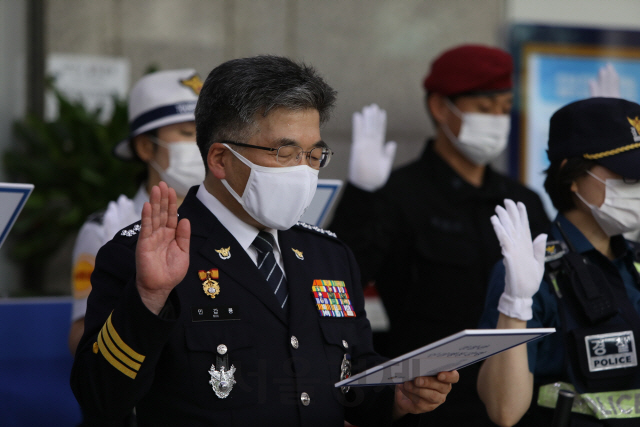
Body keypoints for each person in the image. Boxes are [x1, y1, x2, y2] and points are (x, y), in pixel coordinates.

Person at [70, 55, 458, 426]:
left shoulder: (329, 255)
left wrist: (396, 399)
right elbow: (101, 399)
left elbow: (349, 380)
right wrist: (149, 300)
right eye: (285, 153)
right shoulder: (145, 253)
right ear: (220, 159)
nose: (304, 171)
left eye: (314, 154)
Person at [329, 44, 550, 425]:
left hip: (517, 400)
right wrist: (361, 197)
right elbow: (338, 283)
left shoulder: (521, 199)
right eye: (484, 108)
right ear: (439, 107)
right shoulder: (399, 194)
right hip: (428, 402)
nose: (498, 119)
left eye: (504, 107)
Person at [477, 97, 640, 426]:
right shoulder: (529, 273)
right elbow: (504, 412)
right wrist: (516, 304)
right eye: (628, 175)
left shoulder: (633, 262)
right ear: (572, 175)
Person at [68, 68, 205, 356]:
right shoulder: (107, 228)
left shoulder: (224, 222)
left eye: (204, 134)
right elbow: (82, 339)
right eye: (186, 133)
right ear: (145, 147)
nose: (200, 145)